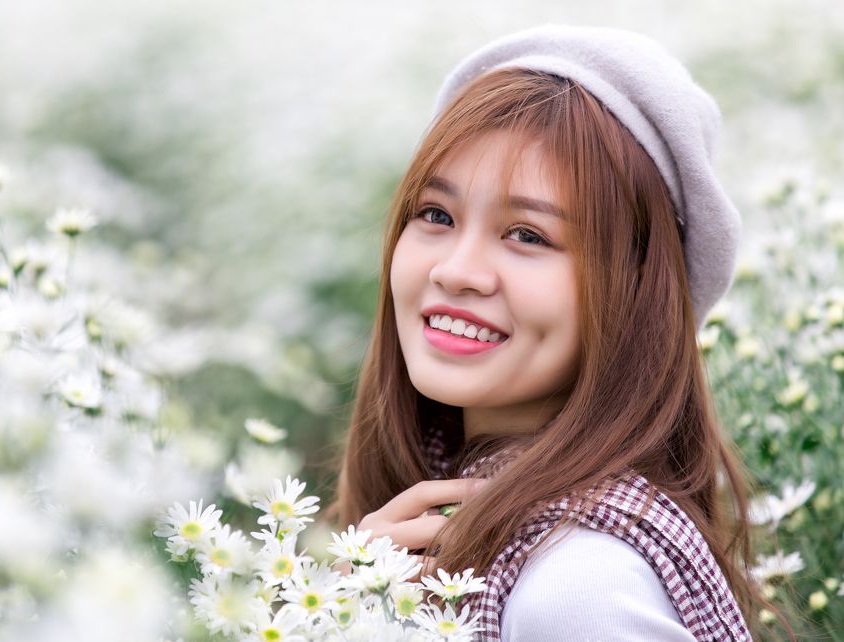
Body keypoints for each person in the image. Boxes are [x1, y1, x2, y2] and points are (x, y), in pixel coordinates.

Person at [329, 24, 795, 641]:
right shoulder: (449, 542)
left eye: (528, 234)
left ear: (635, 294)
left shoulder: (578, 588)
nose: (456, 270)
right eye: (436, 215)